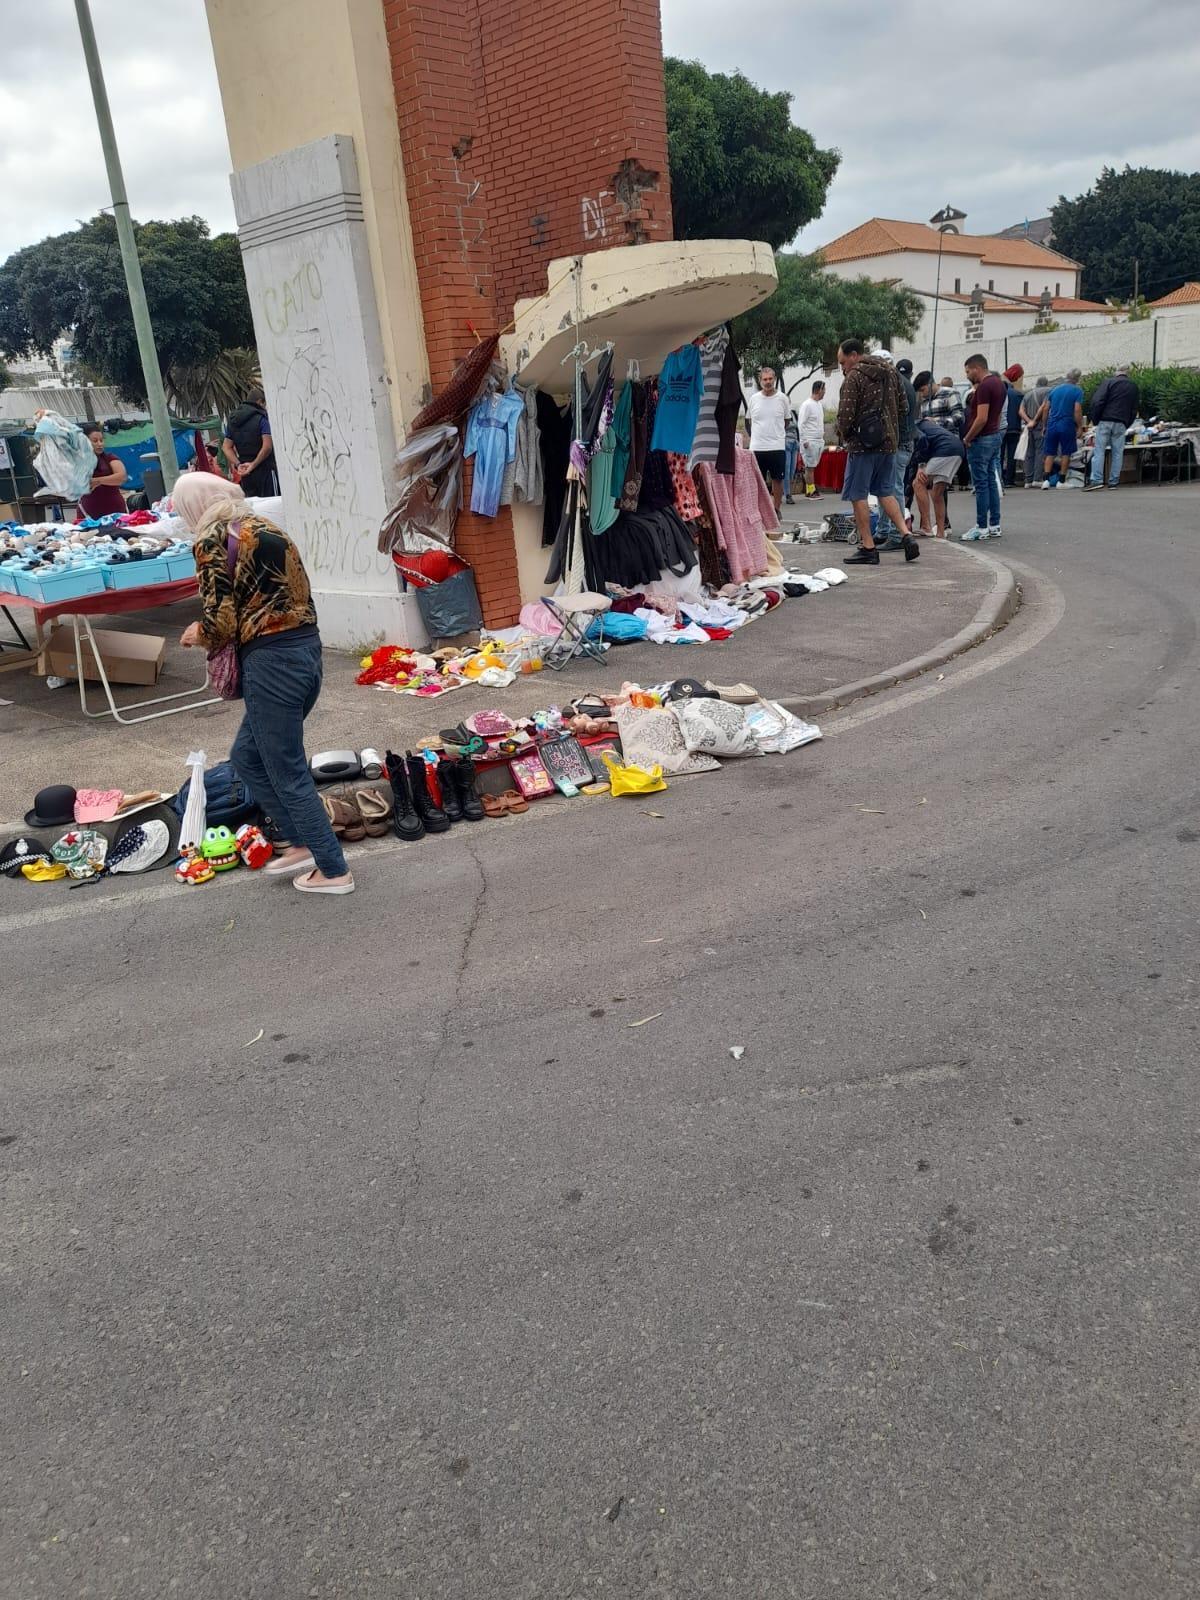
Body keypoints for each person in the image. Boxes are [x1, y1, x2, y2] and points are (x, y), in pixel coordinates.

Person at [174, 473, 353, 897]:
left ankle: (332, 869)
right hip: (306, 650)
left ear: (192, 507)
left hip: (271, 662)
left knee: (285, 767)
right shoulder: (266, 529)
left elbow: (221, 622)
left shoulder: (212, 538)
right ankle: (300, 842)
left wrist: (197, 632)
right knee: (247, 756)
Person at [835, 338, 920, 566]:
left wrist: (844, 433)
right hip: (889, 442)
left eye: (843, 363)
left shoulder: (855, 377)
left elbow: (845, 416)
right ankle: (906, 534)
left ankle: (868, 547)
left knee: (858, 494)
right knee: (886, 492)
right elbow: (904, 407)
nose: (842, 368)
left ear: (854, 356)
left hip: (863, 446)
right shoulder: (891, 373)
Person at [959, 353, 1007, 540]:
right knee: (991, 483)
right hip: (995, 435)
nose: (967, 375)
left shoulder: (984, 387)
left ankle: (981, 526)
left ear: (977, 368)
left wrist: (968, 437)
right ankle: (994, 524)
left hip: (982, 438)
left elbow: (981, 417)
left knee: (981, 485)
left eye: (968, 370)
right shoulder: (999, 384)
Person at [910, 410, 966, 539]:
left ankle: (926, 527)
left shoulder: (913, 426)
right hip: (958, 449)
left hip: (945, 450)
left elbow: (922, 440)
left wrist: (922, 465)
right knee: (937, 493)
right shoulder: (926, 424)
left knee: (918, 483)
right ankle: (940, 532)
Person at [1084, 364, 1140, 491]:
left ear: (1117, 372)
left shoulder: (1108, 382)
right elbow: (1134, 408)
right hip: (1121, 422)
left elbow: (1098, 401)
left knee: (1099, 451)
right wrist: (1127, 423)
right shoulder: (1133, 386)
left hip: (1105, 420)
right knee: (1118, 452)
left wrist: (1096, 419)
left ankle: (1097, 480)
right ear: (1127, 373)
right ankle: (1113, 481)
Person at [747, 367, 793, 513]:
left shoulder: (783, 399)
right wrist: (755, 436)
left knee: (777, 479)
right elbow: (749, 421)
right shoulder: (754, 399)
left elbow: (787, 421)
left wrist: (776, 433)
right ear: (760, 381)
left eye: (770, 379)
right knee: (756, 481)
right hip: (757, 447)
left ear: (774, 379)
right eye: (764, 379)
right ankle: (757, 509)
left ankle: (776, 509)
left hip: (777, 446)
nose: (767, 382)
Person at [222, 387, 279, 498]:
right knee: (273, 503)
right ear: (259, 402)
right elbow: (267, 447)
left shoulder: (233, 420)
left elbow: (226, 447)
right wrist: (253, 464)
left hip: (245, 473)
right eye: (264, 404)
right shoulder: (261, 418)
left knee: (254, 507)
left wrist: (239, 464)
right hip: (265, 470)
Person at [1035, 368, 1085, 489]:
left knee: (1050, 452)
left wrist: (1045, 425)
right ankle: (1061, 481)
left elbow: (1046, 409)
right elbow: (1077, 410)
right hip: (1066, 423)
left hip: (1052, 423)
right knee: (1066, 453)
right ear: (1077, 379)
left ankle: (1046, 480)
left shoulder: (1054, 390)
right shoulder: (1077, 391)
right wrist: (1079, 426)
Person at [77, 427, 129, 518]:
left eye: (101, 440)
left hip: (115, 511)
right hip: (88, 513)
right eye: (95, 441)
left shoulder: (110, 458)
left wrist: (97, 481)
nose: (99, 444)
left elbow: (121, 477)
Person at [894, 358, 921, 503]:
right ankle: (901, 518)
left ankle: (896, 523)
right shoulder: (910, 388)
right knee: (900, 484)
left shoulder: (898, 385)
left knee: (893, 486)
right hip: (908, 441)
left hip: (900, 442)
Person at [796, 379, 826, 498]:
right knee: (809, 467)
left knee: (813, 466)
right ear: (819, 390)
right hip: (810, 440)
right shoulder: (807, 404)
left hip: (818, 440)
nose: (825, 392)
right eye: (824, 390)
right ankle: (811, 490)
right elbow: (801, 423)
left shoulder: (818, 404)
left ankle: (810, 489)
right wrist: (804, 441)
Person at [1020, 377, 1051, 487]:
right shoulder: (1049, 391)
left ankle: (1028, 480)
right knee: (1040, 452)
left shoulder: (1028, 394)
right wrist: (1037, 421)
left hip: (1029, 428)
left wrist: (1029, 421)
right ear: (1046, 383)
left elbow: (1021, 411)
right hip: (1040, 426)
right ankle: (1037, 479)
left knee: (1029, 453)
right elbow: (1045, 408)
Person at [1001, 364, 1026, 486]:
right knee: (1011, 455)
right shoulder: (1019, 395)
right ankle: (1009, 480)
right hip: (1014, 428)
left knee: (1000, 455)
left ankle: (999, 477)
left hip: (1001, 427)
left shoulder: (1001, 393)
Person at [782, 409, 800, 504]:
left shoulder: (793, 412)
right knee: (786, 469)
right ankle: (787, 494)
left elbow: (798, 429)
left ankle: (789, 493)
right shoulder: (780, 412)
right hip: (785, 442)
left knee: (792, 470)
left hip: (795, 443)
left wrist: (799, 442)